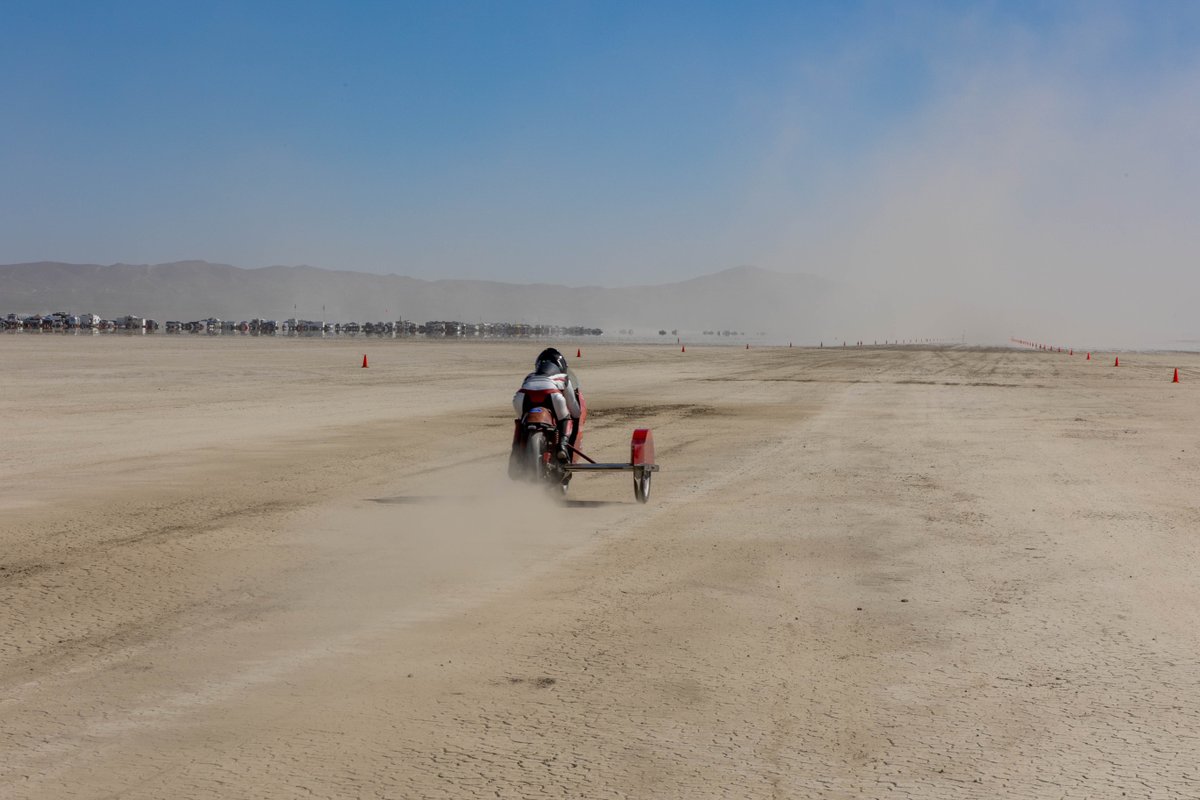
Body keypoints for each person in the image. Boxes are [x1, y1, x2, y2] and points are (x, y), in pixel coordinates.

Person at [512, 347, 586, 463]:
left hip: (523, 396)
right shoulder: (564, 377)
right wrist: (576, 417)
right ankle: (562, 446)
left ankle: (515, 453)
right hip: (552, 395)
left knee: (522, 424)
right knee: (566, 420)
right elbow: (574, 408)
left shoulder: (530, 376)